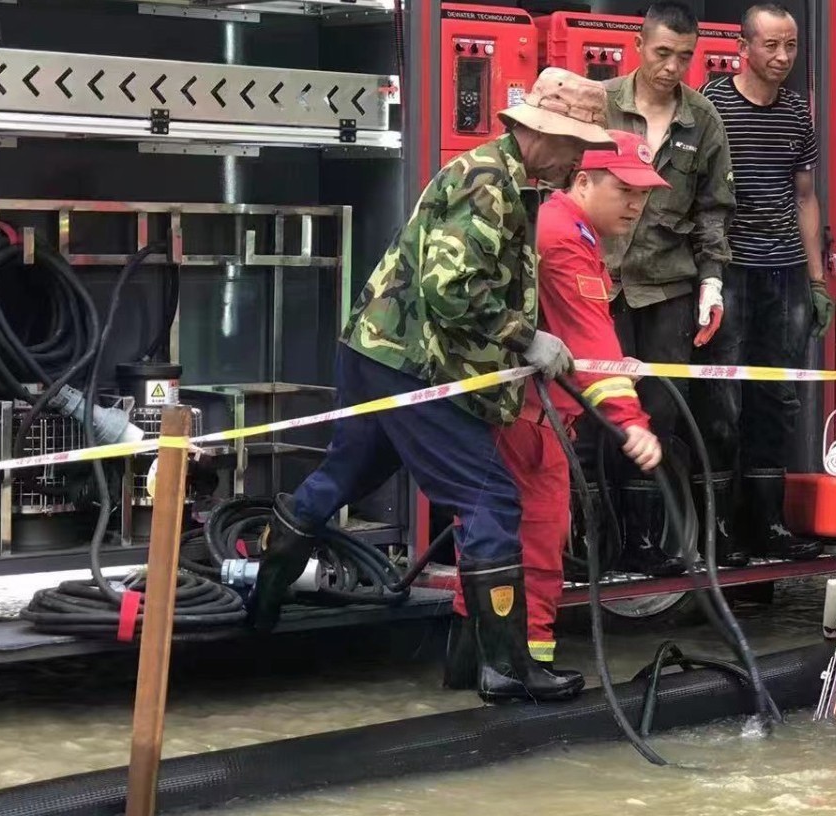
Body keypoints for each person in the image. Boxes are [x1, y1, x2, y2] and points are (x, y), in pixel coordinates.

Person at [250, 68, 616, 703]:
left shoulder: (503, 179)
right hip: (416, 364)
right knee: (490, 502)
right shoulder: (489, 182)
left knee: (347, 473)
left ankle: (262, 608)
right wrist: (527, 338)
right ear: (544, 134)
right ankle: (506, 671)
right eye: (577, 146)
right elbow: (451, 292)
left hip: (377, 348)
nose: (580, 161)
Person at [495, 130, 668, 698]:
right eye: (626, 191)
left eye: (643, 194)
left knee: (493, 541)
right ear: (584, 180)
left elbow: (582, 342)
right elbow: (590, 335)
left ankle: (481, 660)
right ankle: (528, 673)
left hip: (527, 416)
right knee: (538, 546)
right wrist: (631, 421)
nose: (636, 205)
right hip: (531, 424)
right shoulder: (566, 239)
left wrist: (608, 366)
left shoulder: (564, 227)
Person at [598, 0, 735, 576]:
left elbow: (713, 210)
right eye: (662, 53)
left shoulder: (702, 119)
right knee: (595, 407)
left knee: (658, 414)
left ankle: (643, 542)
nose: (672, 67)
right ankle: (592, 543)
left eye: (684, 56)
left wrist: (712, 281)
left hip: (667, 289)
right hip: (598, 283)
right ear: (638, 45)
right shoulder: (600, 103)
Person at [694, 2, 826, 566]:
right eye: (771, 45)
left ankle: (768, 524)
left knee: (777, 397)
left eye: (790, 45)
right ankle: (720, 529)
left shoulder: (797, 111)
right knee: (721, 399)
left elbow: (805, 197)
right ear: (742, 47)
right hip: (729, 268)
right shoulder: (712, 103)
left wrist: (817, 280)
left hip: (784, 270)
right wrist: (707, 274)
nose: (782, 56)